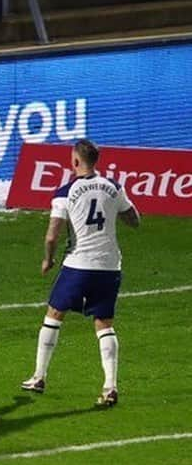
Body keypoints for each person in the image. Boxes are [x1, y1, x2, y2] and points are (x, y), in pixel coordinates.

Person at [21, 138, 140, 407]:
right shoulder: (113, 187)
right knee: (104, 323)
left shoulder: (65, 192)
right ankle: (110, 387)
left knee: (54, 315)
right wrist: (116, 211)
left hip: (78, 264)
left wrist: (48, 260)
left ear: (75, 161)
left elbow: (52, 236)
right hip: (110, 265)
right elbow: (134, 220)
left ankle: (39, 376)